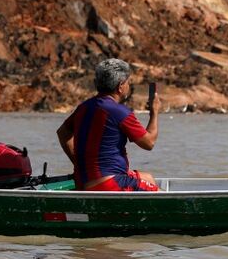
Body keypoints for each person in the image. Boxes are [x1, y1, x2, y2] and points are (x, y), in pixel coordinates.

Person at [56, 58, 160, 191]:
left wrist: (79, 164)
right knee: (159, 193)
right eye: (128, 82)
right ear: (120, 86)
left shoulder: (84, 107)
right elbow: (149, 143)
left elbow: (63, 133)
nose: (129, 86)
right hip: (108, 182)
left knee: (148, 178)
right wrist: (154, 112)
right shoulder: (120, 112)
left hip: (83, 181)